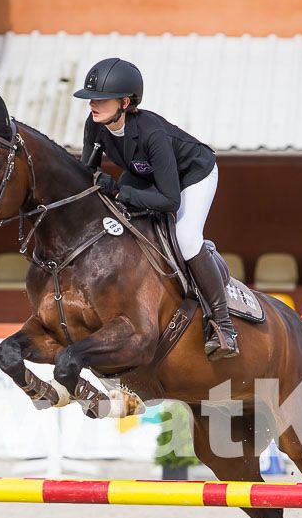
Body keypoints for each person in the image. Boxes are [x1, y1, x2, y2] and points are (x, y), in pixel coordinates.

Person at [73, 58, 239, 360]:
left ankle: (223, 325)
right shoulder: (95, 125)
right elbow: (87, 174)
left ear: (125, 102)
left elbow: (170, 201)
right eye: (91, 99)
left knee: (186, 237)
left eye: (101, 99)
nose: (92, 104)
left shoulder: (152, 133)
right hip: (147, 175)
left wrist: (120, 191)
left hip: (193, 176)